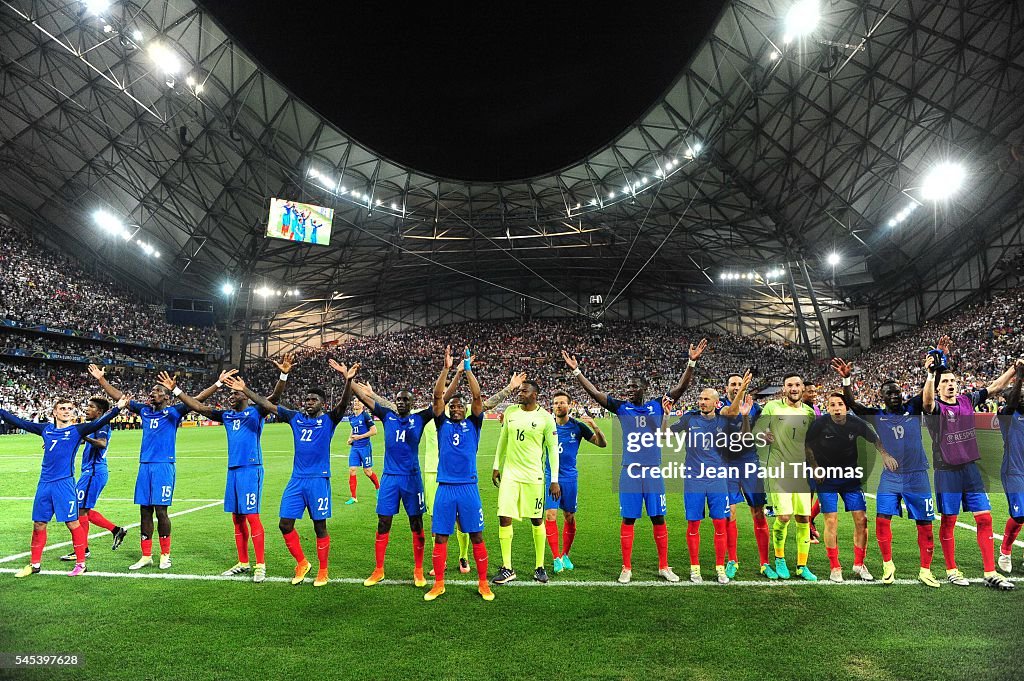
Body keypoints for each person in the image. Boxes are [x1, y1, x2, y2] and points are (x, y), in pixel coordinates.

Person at [561, 346, 694, 584]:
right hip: (630, 473)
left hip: (653, 472)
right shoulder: (622, 407)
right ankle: (626, 567)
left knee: (658, 518)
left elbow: (681, 388)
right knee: (629, 519)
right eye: (628, 387)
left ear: (644, 388)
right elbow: (596, 394)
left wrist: (691, 363)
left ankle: (664, 566)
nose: (629, 390)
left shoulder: (657, 404)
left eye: (633, 387)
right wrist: (577, 371)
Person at [157, 356, 291, 583]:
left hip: (251, 469)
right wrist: (176, 390)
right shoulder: (226, 415)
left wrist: (282, 375)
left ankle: (260, 564)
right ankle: (243, 561)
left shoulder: (256, 412)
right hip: (233, 471)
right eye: (230, 393)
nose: (231, 396)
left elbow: (274, 398)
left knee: (252, 516)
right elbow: (198, 406)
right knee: (237, 518)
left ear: (245, 396)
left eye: (235, 393)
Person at [224, 367, 353, 587]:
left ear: (322, 403)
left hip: (319, 480)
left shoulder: (330, 420)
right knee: (285, 524)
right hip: (296, 480)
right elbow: (267, 405)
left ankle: (323, 570)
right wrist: (245, 389)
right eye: (306, 399)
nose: (308, 402)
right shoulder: (295, 418)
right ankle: (302, 563)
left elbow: (342, 404)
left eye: (313, 399)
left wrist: (348, 382)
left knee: (319, 526)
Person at [90, 364, 220, 570]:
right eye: (152, 391)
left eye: (158, 391)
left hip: (163, 466)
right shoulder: (144, 411)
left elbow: (199, 399)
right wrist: (101, 380)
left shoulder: (174, 412)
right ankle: (146, 555)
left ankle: (165, 554)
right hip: (145, 467)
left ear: (167, 396)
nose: (153, 393)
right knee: (144, 511)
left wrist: (218, 383)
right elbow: (120, 397)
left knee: (161, 511)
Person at [832, 357, 940, 587]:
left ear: (901, 392)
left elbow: (930, 390)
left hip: (917, 475)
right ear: (882, 397)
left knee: (925, 525)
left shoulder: (913, 406)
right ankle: (887, 565)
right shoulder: (876, 414)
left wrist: (933, 370)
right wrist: (846, 379)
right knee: (882, 520)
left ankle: (925, 570)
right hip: (891, 477)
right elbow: (853, 404)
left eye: (896, 391)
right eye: (888, 393)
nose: (893, 395)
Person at [922, 338, 1018, 590]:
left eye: (953, 381)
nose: (951, 384)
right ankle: (952, 569)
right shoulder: (936, 408)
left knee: (985, 519)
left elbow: (996, 387)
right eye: (946, 382)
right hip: (947, 471)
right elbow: (927, 402)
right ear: (939, 386)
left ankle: (990, 572)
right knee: (949, 521)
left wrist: (1015, 370)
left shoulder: (966, 400)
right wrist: (931, 375)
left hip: (970, 470)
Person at [1, 393, 127, 577]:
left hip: (64, 484)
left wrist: (117, 408)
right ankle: (35, 564)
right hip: (44, 484)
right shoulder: (46, 430)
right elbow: (20, 422)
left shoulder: (78, 430)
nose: (66, 411)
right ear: (54, 412)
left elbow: (100, 423)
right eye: (62, 408)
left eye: (69, 409)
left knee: (73, 522)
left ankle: (81, 563)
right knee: (39, 524)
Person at [331, 362, 432, 588]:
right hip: (389, 478)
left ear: (413, 403)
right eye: (399, 399)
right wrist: (348, 379)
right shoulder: (387, 416)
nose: (401, 402)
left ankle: (418, 570)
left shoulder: (420, 418)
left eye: (406, 399)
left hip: (412, 479)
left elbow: (438, 400)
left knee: (416, 523)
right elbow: (365, 399)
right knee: (383, 522)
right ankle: (379, 569)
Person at [424, 346, 495, 602]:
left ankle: (483, 583)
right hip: (444, 487)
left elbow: (477, 397)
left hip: (468, 487)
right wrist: (446, 368)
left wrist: (467, 369)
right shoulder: (441, 423)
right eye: (451, 405)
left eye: (458, 406)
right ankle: (439, 583)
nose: (454, 408)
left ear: (465, 410)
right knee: (441, 535)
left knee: (476, 535)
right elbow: (436, 396)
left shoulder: (473, 423)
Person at [805, 392, 898, 583]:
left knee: (862, 521)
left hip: (850, 479)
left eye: (840, 404)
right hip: (827, 480)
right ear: (828, 408)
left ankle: (859, 564)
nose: (837, 408)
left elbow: (875, 439)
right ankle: (835, 567)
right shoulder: (820, 424)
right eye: (832, 405)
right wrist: (815, 468)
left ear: (846, 407)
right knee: (831, 521)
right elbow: (808, 446)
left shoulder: (856, 423)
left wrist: (885, 454)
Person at [667, 373, 751, 584]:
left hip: (717, 480)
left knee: (720, 524)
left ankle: (720, 568)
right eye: (700, 399)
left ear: (716, 402)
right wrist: (665, 417)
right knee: (693, 524)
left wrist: (741, 390)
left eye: (706, 399)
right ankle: (695, 568)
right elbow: (665, 434)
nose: (702, 402)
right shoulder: (689, 418)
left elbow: (733, 411)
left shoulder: (723, 418)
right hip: (694, 480)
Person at [491, 379, 560, 585]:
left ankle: (539, 567)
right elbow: (503, 439)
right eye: (519, 390)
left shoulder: (546, 418)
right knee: (504, 516)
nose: (520, 393)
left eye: (524, 391)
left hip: (533, 476)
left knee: (536, 519)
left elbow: (553, 450)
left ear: (535, 394)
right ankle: (507, 568)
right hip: (511, 475)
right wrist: (497, 465)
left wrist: (554, 480)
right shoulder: (511, 412)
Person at [756, 373, 817, 581]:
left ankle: (802, 566)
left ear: (802, 388)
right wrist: (763, 436)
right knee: (783, 516)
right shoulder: (772, 407)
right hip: (779, 470)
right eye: (790, 385)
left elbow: (809, 443)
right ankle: (780, 559)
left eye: (797, 384)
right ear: (784, 388)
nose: (794, 388)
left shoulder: (809, 412)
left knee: (803, 519)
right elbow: (758, 430)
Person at [58, 396, 129, 562]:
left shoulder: (102, 424)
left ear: (99, 411)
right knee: (83, 510)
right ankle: (115, 530)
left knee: (78, 510)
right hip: (91, 472)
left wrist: (85, 438)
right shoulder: (93, 426)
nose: (86, 409)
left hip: (94, 472)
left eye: (90, 406)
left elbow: (102, 443)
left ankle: (82, 549)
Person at [545, 390, 607, 573]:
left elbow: (601, 444)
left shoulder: (578, 427)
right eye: (556, 403)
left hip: (570, 478)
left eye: (562, 402)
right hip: (551, 478)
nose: (558, 406)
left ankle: (565, 554)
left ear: (570, 405)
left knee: (569, 516)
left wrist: (595, 427)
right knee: (550, 515)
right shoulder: (547, 425)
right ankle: (556, 557)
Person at [998, 360, 1024, 573]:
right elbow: (1015, 400)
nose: (1021, 395)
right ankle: (1005, 552)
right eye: (1017, 393)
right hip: (1014, 471)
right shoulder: (1007, 414)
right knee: (1019, 515)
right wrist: (1020, 374)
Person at [344, 398, 379, 505]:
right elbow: (353, 428)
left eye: (358, 401)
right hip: (355, 447)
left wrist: (360, 437)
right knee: (352, 470)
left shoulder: (365, 416)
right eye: (354, 401)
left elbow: (374, 431)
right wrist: (350, 438)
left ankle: (378, 487)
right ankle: (353, 497)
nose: (356, 403)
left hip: (365, 447)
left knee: (367, 472)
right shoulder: (351, 418)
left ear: (362, 405)